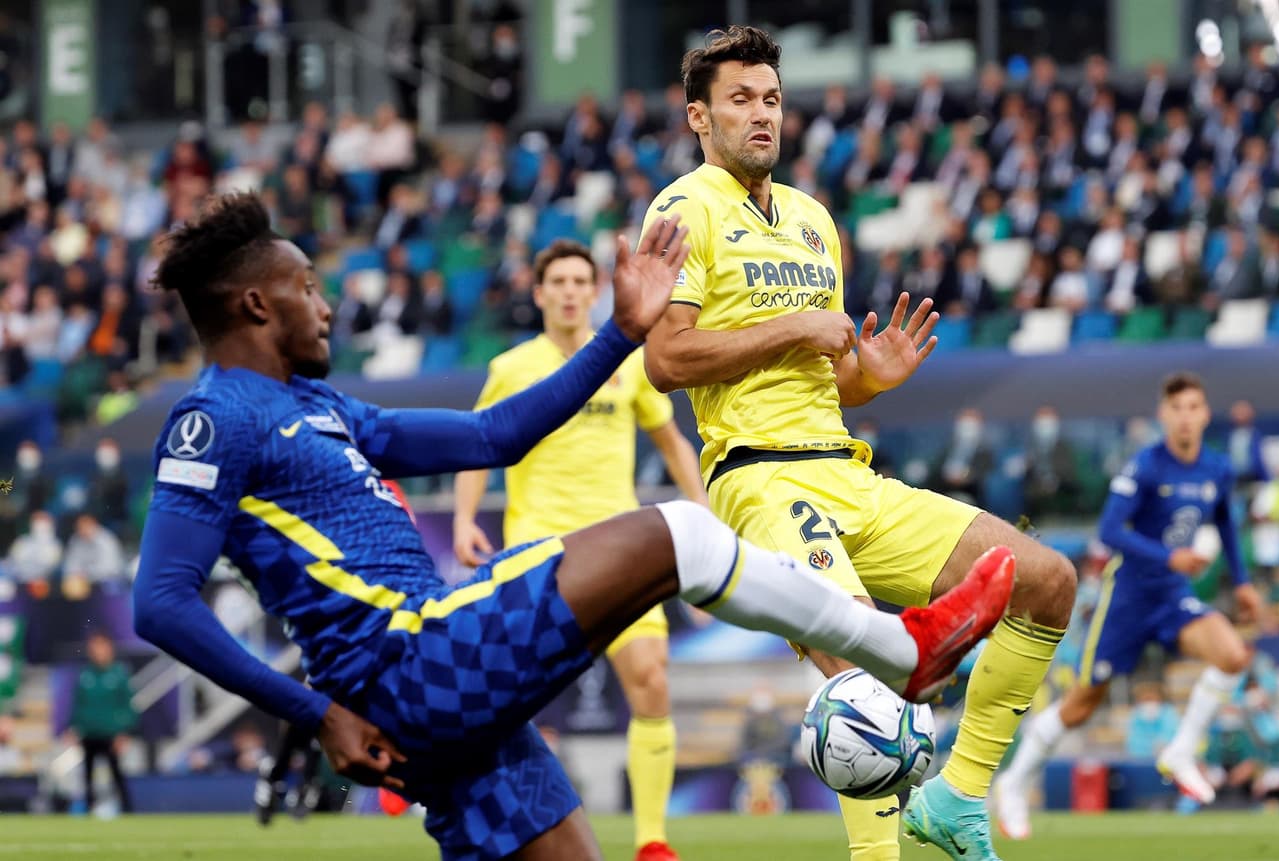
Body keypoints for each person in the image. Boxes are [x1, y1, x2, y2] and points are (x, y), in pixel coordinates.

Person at [131, 192, 1014, 861]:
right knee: (677, 532)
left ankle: (901, 649)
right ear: (254, 305)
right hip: (405, 658)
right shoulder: (215, 419)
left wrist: (620, 335)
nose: (326, 306)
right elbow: (161, 602)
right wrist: (316, 710)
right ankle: (902, 650)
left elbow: (492, 435)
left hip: (440, 701)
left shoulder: (318, 406)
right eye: (307, 288)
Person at [640, 27, 1077, 861]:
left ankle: (958, 796)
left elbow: (821, 377)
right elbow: (666, 358)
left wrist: (869, 380)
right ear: (699, 116)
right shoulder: (681, 209)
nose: (762, 115)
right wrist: (795, 323)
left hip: (846, 470)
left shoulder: (812, 220)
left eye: (771, 98)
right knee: (867, 662)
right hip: (760, 479)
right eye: (740, 100)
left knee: (1047, 582)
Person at [453, 239, 707, 861]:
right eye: (557, 281)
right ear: (539, 294)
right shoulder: (512, 368)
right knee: (509, 702)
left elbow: (671, 440)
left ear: (595, 292)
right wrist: (462, 520)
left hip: (621, 548)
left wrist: (701, 507)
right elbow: (478, 445)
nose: (569, 291)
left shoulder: (625, 362)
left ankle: (652, 842)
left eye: (579, 281)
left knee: (651, 679)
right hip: (540, 551)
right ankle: (502, 828)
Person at [994, 372, 1270, 839]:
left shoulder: (1217, 469)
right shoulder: (1145, 466)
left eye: (1194, 408)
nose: (1185, 417)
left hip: (1172, 597)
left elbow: (1225, 522)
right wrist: (1170, 556)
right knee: (1082, 703)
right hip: (1128, 598)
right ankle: (1014, 783)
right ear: (1164, 415)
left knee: (1233, 655)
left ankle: (1181, 750)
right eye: (1176, 408)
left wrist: (1242, 583)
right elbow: (1110, 531)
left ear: (1205, 414)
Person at [68, 632, 136, 813]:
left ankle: (127, 809)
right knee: (87, 775)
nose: (98, 651)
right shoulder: (85, 675)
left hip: (111, 734)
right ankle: (88, 809)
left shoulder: (119, 674)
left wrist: (124, 733)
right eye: (94, 647)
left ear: (109, 648)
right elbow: (78, 704)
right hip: (89, 733)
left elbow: (127, 705)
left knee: (117, 773)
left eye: (101, 646)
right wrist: (74, 728)